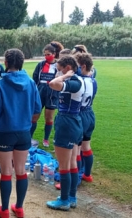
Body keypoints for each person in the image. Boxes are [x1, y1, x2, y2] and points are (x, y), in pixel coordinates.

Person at [0, 48, 42, 218]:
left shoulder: (0, 84)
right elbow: (37, 109)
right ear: (22, 63)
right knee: (20, 170)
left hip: (5, 132)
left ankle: (4, 210)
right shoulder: (31, 83)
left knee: (6, 171)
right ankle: (19, 208)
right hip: (24, 132)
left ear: (5, 63)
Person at [46, 55, 85, 211]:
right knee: (71, 163)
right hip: (74, 122)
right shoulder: (76, 81)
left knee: (64, 165)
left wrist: (65, 75)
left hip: (67, 123)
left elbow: (52, 84)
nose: (58, 72)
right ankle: (71, 197)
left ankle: (64, 201)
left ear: (68, 68)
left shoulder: (73, 82)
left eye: (59, 69)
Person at [31, 42, 63, 147]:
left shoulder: (58, 65)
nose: (46, 56)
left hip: (52, 94)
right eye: (45, 54)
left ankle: (46, 139)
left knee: (48, 117)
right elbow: (35, 78)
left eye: (48, 54)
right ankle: (29, 137)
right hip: (40, 93)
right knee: (34, 116)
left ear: (54, 54)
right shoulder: (40, 64)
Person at [73, 53, 98, 183]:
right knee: (86, 146)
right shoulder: (94, 80)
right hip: (90, 114)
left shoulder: (79, 81)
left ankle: (75, 179)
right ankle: (87, 175)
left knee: (76, 149)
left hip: (79, 115)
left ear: (82, 66)